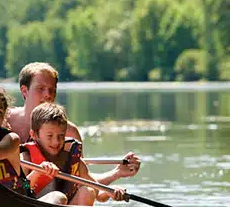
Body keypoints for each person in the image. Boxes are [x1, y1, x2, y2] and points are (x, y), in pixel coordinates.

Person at [7, 62, 141, 186]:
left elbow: (83, 180)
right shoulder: (4, 120)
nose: (48, 95)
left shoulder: (69, 131)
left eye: (52, 89)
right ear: (24, 90)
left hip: (50, 197)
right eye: (40, 89)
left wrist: (117, 173)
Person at [21, 102, 126, 206]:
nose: (56, 142)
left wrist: (111, 192)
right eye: (50, 136)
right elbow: (20, 188)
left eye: (61, 136)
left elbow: (98, 194)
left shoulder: (74, 161)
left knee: (88, 191)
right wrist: (37, 172)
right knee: (58, 197)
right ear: (34, 135)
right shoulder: (26, 157)